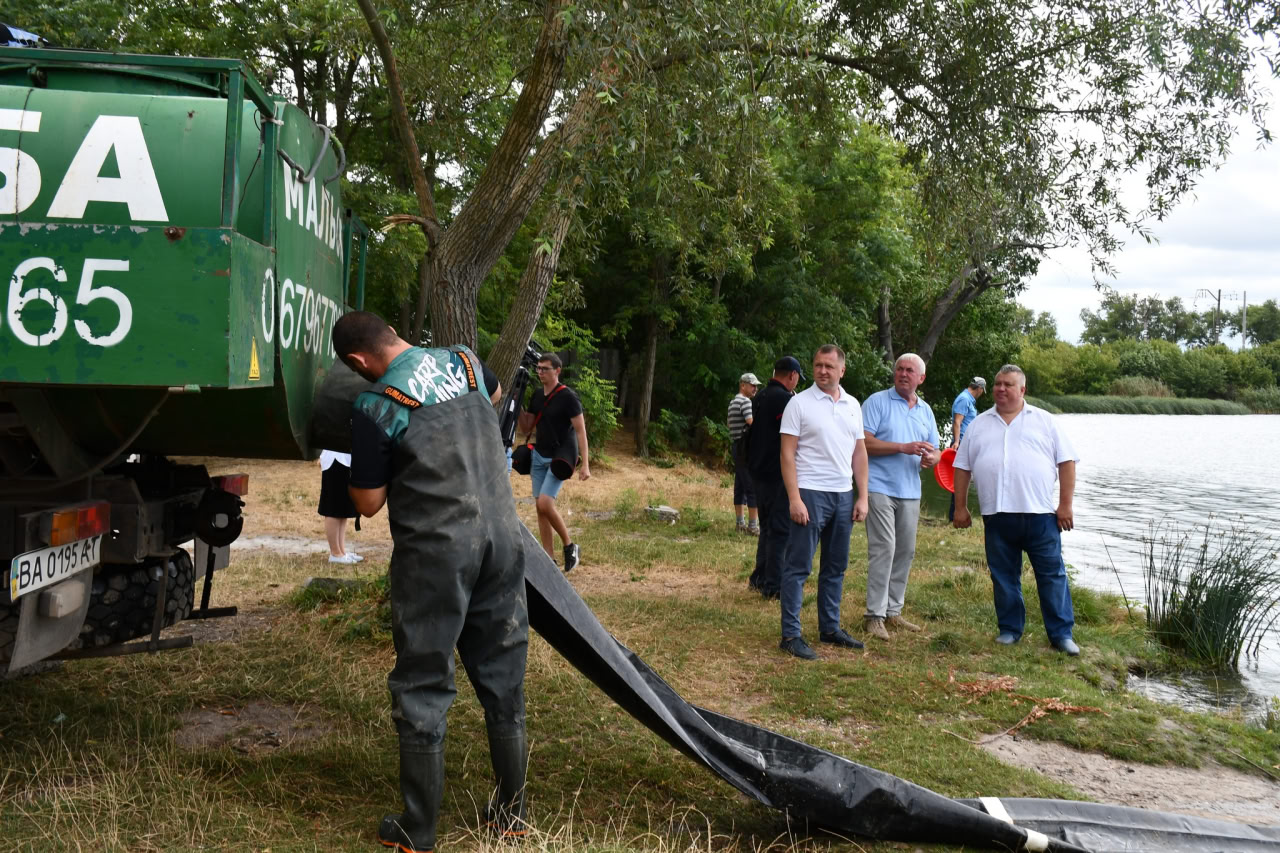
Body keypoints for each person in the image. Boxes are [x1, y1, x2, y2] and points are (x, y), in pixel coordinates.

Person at [333, 311, 529, 852]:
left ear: (358, 363)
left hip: (438, 552)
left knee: (423, 682)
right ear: (393, 333)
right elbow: (488, 400)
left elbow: (368, 505)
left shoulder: (376, 405)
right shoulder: (466, 361)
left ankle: (417, 831)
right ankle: (512, 814)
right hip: (503, 538)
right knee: (504, 672)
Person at [951, 364, 1082, 656]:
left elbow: (1067, 462)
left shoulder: (1045, 421)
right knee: (1003, 575)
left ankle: (1061, 635)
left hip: (1040, 515)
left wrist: (1065, 505)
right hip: (997, 515)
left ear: (1022, 390)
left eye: (1008, 384)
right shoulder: (979, 424)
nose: (1000, 388)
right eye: (997, 384)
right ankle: (1010, 630)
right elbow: (961, 467)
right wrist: (960, 507)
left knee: (1052, 575)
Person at [777, 345, 870, 660]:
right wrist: (794, 498)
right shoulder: (799, 404)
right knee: (798, 566)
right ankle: (791, 635)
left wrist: (863, 496)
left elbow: (859, 453)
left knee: (835, 566)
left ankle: (830, 629)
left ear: (842, 370)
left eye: (829, 366)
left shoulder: (853, 405)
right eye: (818, 365)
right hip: (809, 492)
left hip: (843, 494)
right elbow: (787, 454)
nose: (822, 371)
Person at [860, 353, 940, 641]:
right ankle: (874, 616)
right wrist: (901, 447)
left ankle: (893, 611)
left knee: (905, 550)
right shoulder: (877, 401)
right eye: (899, 369)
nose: (903, 374)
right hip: (879, 486)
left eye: (910, 371)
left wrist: (932, 458)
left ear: (921, 378)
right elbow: (863, 443)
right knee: (884, 548)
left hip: (910, 490)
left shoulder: (926, 411)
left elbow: (936, 450)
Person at [517, 353, 591, 570]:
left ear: (557, 370)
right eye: (538, 369)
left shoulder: (568, 397)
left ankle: (570, 546)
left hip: (560, 456)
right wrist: (517, 402)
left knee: (545, 503)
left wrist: (585, 464)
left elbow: (580, 431)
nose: (540, 372)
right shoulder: (538, 395)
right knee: (540, 509)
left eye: (545, 369)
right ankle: (549, 559)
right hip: (539, 455)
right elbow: (526, 427)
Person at [745, 357, 805, 599]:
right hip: (776, 473)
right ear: (792, 375)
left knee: (768, 528)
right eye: (798, 378)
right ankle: (773, 586)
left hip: (758, 471)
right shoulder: (785, 399)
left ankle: (759, 577)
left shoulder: (761, 396)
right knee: (779, 530)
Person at [946, 376, 986, 521]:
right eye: (982, 391)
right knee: (960, 479)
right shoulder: (964, 399)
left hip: (966, 443)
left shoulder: (968, 399)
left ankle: (955, 514)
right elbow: (957, 422)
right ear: (979, 389)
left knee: (963, 479)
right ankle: (954, 515)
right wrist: (956, 442)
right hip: (961, 444)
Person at [727, 372, 761, 534]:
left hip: (736, 446)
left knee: (739, 485)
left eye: (756, 385)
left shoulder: (733, 402)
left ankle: (739, 523)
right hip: (745, 448)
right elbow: (752, 424)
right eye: (752, 385)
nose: (755, 388)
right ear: (743, 385)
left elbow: (729, 424)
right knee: (751, 486)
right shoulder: (746, 402)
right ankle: (753, 526)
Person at [317, 449, 363, 564]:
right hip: (335, 459)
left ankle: (341, 551)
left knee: (342, 509)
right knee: (333, 508)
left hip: (346, 459)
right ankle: (335, 553)